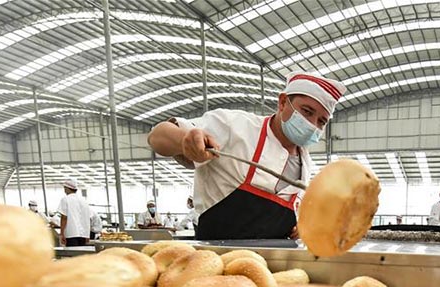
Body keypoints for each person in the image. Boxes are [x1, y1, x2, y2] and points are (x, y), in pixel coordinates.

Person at [148, 72, 346, 240]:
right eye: (307, 111)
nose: (312, 124)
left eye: (321, 121)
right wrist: (184, 140)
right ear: (283, 102)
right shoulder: (235, 126)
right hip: (217, 259)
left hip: (270, 267)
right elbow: (157, 136)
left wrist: (300, 227)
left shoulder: (305, 164)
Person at [56, 179, 91, 247]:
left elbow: (64, 218)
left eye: (65, 188)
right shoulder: (83, 200)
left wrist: (62, 233)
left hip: (71, 234)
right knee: (81, 255)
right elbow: (87, 218)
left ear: (68, 188)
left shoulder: (65, 199)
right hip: (83, 234)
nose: (64, 190)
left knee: (73, 255)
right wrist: (87, 234)